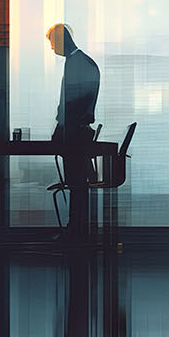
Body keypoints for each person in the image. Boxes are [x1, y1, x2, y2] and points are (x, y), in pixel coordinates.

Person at [47, 24, 101, 237]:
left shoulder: (75, 64)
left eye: (52, 43)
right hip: (77, 134)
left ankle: (76, 231)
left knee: (76, 185)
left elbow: (71, 103)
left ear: (61, 40)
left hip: (74, 136)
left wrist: (61, 128)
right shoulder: (82, 62)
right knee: (77, 185)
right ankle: (77, 229)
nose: (52, 49)